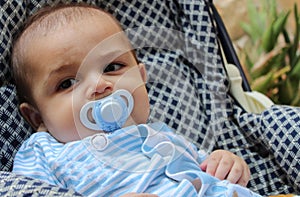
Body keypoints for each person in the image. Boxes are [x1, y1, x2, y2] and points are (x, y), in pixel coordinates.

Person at [11, 3, 261, 197]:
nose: (99, 85)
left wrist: (226, 163)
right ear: (37, 117)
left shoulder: (162, 134)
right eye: (67, 83)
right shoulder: (45, 154)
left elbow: (209, 170)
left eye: (112, 67)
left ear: (142, 79)